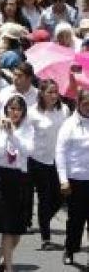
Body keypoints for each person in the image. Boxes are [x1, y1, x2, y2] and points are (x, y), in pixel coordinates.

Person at [0, 95, 34, 272]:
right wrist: (5, 132)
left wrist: (12, 134)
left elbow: (27, 150)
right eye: (11, 108)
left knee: (17, 229)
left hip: (19, 178)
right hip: (0, 176)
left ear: (23, 112)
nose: (14, 112)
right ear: (6, 109)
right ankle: (8, 267)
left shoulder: (27, 128)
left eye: (18, 109)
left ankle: (3, 258)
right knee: (6, 226)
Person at [28, 79, 70, 251]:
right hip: (39, 160)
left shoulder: (65, 110)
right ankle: (46, 237)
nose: (54, 95)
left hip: (59, 161)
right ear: (42, 93)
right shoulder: (33, 112)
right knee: (44, 199)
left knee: (60, 197)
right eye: (50, 92)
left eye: (56, 92)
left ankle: (44, 219)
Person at [55, 88, 89, 267]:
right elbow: (60, 152)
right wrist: (63, 179)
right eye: (85, 104)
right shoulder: (69, 125)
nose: (88, 107)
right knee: (76, 219)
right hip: (75, 180)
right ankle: (70, 249)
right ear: (78, 103)